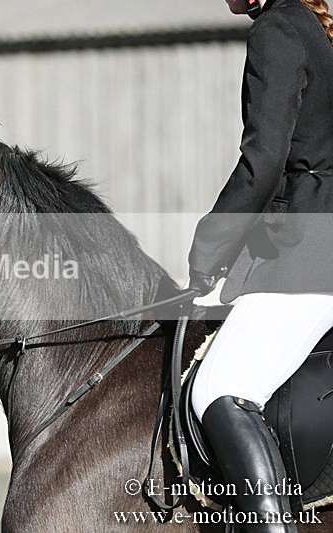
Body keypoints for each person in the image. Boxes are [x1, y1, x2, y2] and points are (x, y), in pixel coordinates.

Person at [187, 0, 333, 530]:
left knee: (219, 389)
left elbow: (264, 161)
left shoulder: (277, 30)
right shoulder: (314, 29)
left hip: (312, 253)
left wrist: (209, 248)